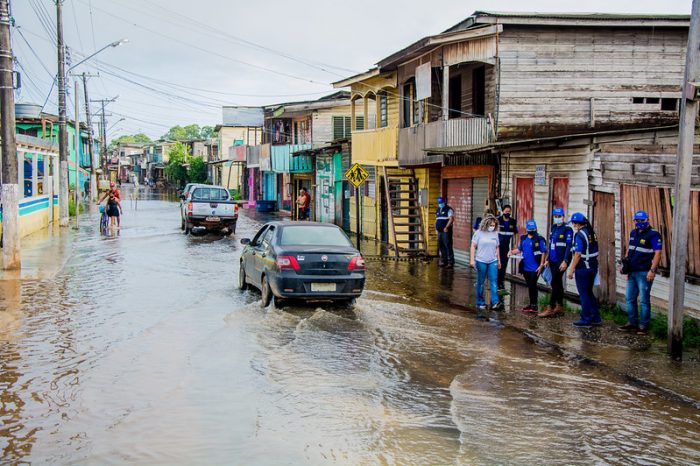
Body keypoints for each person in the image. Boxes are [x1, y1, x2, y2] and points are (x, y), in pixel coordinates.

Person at [618, 210, 663, 335]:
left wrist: (652, 270)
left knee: (643, 300)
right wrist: (625, 265)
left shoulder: (654, 235)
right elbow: (629, 249)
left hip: (644, 272)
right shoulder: (633, 233)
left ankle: (643, 326)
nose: (639, 223)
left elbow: (658, 253)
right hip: (632, 272)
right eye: (637, 220)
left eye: (642, 220)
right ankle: (632, 322)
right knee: (629, 298)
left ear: (647, 220)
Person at [567, 212, 602, 328]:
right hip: (593, 267)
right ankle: (596, 317)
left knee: (584, 294)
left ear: (576, 223)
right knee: (589, 292)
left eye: (573, 223)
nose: (573, 225)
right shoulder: (591, 232)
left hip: (583, 268)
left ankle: (586, 318)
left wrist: (571, 270)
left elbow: (578, 254)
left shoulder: (580, 235)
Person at [540, 208, 574, 318]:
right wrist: (547, 259)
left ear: (563, 217)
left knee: (555, 282)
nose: (557, 218)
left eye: (559, 216)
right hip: (553, 260)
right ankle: (559, 306)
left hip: (562, 261)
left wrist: (565, 261)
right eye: (556, 216)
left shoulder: (567, 229)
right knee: (557, 283)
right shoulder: (553, 228)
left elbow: (569, 247)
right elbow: (550, 245)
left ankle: (551, 307)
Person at [509, 220, 547, 313]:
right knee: (530, 286)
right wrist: (511, 252)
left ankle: (534, 306)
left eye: (533, 229)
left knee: (532, 285)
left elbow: (544, 252)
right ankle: (531, 304)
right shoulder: (523, 238)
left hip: (535, 268)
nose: (531, 230)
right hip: (525, 267)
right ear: (527, 229)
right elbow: (519, 249)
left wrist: (541, 265)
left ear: (536, 228)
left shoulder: (539, 239)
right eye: (529, 229)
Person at [470, 215, 502, 313]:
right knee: (480, 282)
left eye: (494, 225)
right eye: (491, 225)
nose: (492, 226)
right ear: (486, 224)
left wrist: (499, 260)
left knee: (494, 281)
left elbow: (497, 247)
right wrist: (472, 260)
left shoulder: (495, 233)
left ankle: (495, 302)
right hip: (481, 261)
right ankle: (480, 302)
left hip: (493, 261)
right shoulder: (478, 233)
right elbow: (473, 246)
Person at [497, 205, 518, 290]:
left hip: (506, 247)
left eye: (509, 211)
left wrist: (515, 245)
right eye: (506, 211)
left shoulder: (513, 221)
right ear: (502, 211)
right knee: (498, 265)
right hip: (497, 246)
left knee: (504, 265)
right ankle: (497, 282)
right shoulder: (498, 220)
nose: (507, 213)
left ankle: (501, 282)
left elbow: (515, 233)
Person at [435, 196, 455, 268]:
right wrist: (436, 229)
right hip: (439, 231)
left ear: (444, 202)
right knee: (441, 246)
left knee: (448, 245)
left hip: (446, 231)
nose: (440, 204)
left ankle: (450, 262)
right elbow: (437, 220)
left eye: (441, 202)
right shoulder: (438, 210)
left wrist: (446, 227)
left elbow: (451, 219)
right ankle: (444, 260)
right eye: (439, 203)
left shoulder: (448, 209)